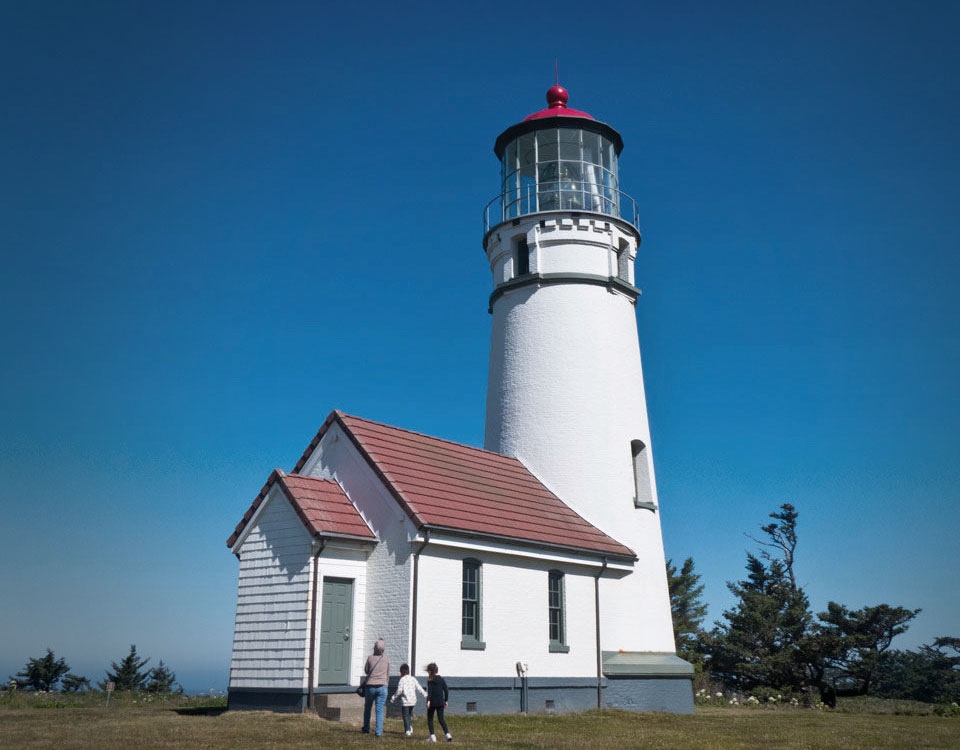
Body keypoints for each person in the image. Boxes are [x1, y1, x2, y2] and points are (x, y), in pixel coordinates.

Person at [361, 639, 390, 737]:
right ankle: (378, 732)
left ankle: (366, 728)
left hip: (370, 687)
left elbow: (366, 670)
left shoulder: (370, 658)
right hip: (382, 687)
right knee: (379, 710)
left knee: (368, 708)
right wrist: (386, 685)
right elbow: (387, 674)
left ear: (375, 648)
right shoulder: (386, 659)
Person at [390, 662, 427, 737]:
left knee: (405, 716)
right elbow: (419, 687)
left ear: (401, 673)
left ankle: (408, 730)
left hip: (406, 701)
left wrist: (393, 697)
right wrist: (425, 694)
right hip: (413, 701)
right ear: (408, 671)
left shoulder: (402, 680)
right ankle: (410, 727)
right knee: (409, 715)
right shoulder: (413, 679)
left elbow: (399, 690)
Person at [424, 662, 452, 743]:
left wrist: (428, 701)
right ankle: (447, 734)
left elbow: (430, 691)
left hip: (432, 702)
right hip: (440, 702)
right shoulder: (441, 679)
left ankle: (432, 736)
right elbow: (446, 690)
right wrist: (446, 700)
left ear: (430, 672)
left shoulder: (430, 680)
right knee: (441, 719)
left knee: (430, 719)